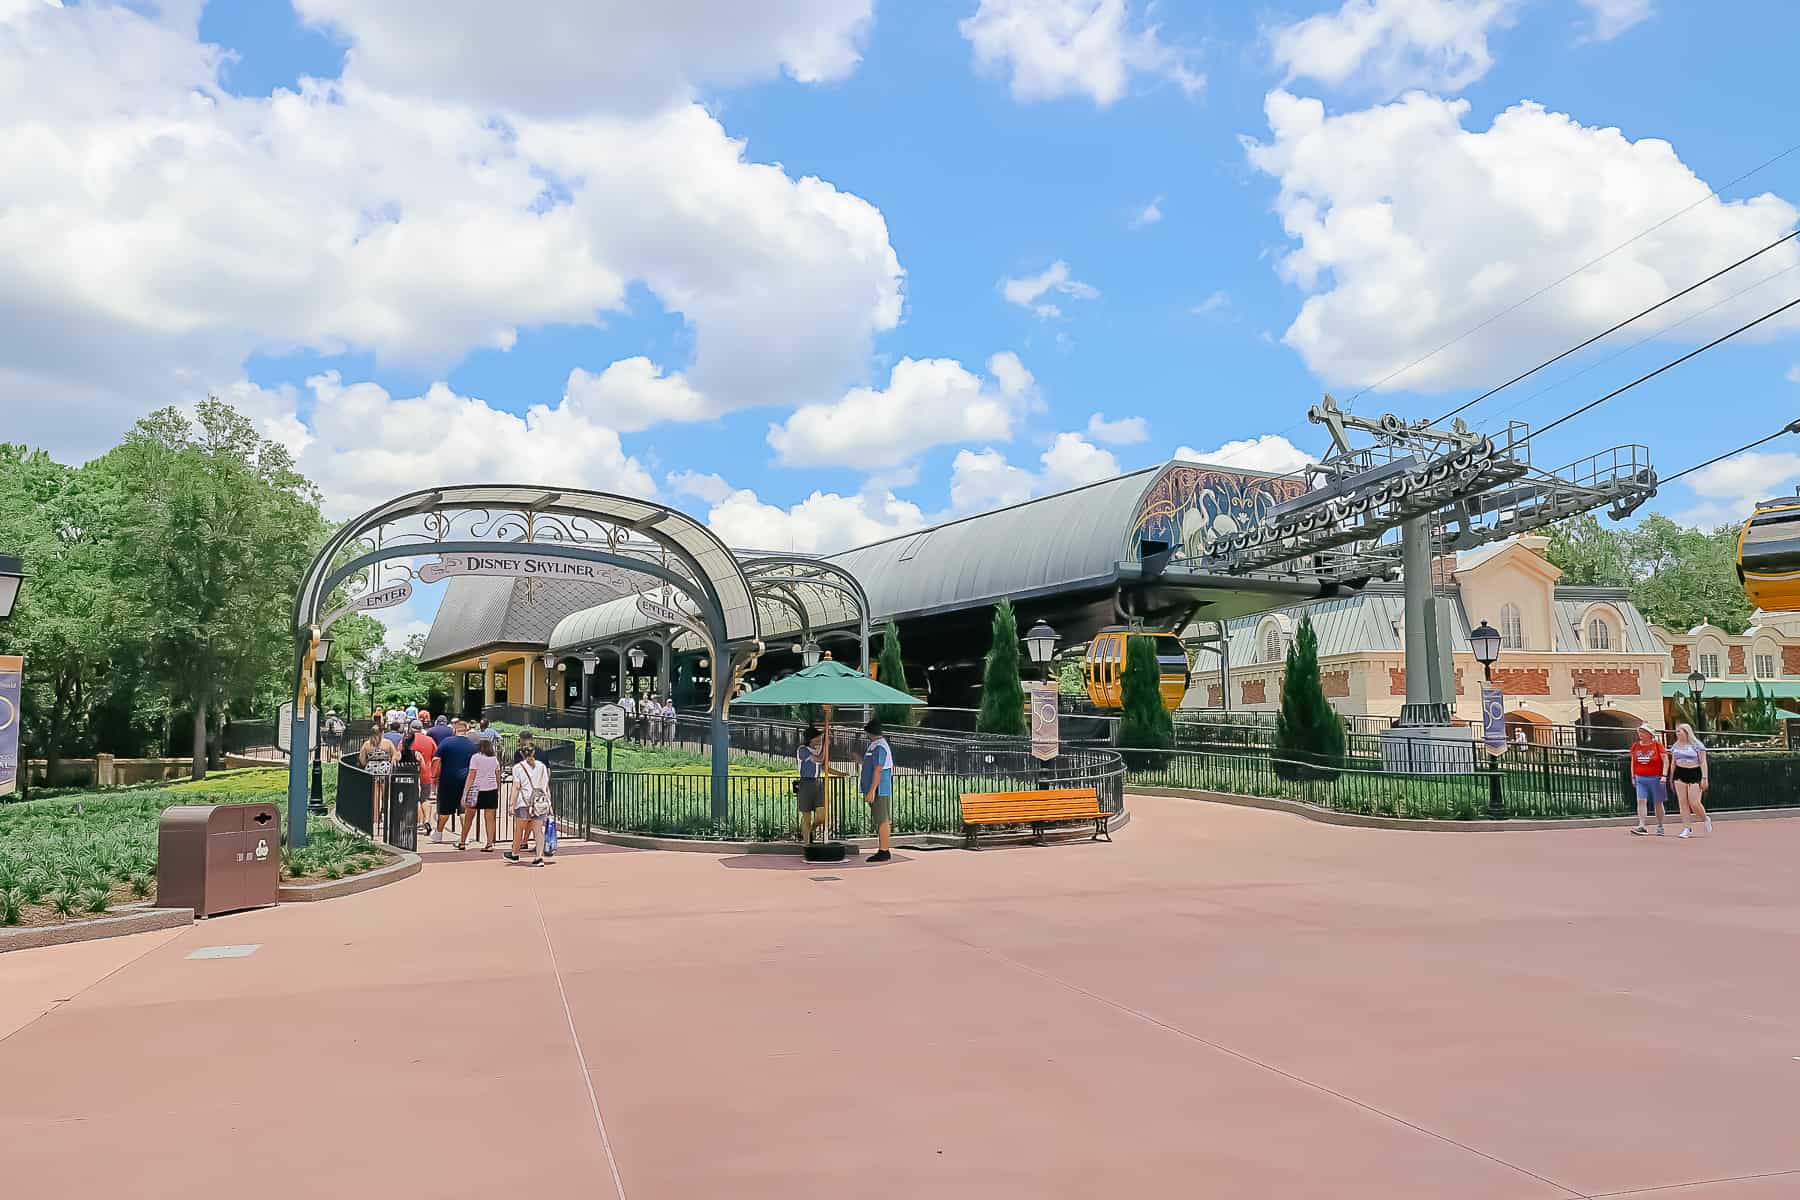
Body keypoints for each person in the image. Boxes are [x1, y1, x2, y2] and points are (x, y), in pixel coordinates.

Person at [505, 740, 551, 865]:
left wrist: (511, 804)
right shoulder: (541, 766)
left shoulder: (518, 768)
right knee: (538, 830)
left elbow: (516, 787)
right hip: (540, 802)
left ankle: (515, 853)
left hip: (524, 801)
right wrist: (550, 803)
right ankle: (538, 857)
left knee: (519, 829)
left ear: (521, 753)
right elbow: (546, 786)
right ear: (534, 752)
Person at [433, 720, 479, 845]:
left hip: (447, 779)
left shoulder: (446, 742)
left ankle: (438, 833)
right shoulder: (472, 745)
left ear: (454, 729)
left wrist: (434, 775)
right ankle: (465, 836)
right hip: (466, 780)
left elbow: (436, 759)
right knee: (463, 809)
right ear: (466, 730)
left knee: (444, 809)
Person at [458, 735, 503, 851]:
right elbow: (497, 775)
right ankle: (489, 843)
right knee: (490, 818)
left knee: (469, 816)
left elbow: (471, 775)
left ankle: (462, 841)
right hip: (491, 789)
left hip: (476, 789)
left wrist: (465, 793)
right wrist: (498, 788)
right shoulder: (494, 759)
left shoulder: (475, 758)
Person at [1668, 723, 1713, 838]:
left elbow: (1703, 762)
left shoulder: (1697, 745)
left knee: (1694, 802)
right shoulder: (1675, 746)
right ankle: (1687, 828)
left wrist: (1704, 778)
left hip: (1694, 773)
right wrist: (1671, 777)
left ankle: (1705, 818)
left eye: (1679, 731)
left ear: (1686, 732)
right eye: (1677, 731)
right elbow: (1673, 762)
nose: (1677, 733)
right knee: (1682, 802)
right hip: (1680, 773)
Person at [860, 720, 895, 863]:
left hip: (879, 789)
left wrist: (872, 790)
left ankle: (884, 850)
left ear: (869, 732)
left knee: (882, 820)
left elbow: (878, 770)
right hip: (876, 788)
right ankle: (883, 849)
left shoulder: (880, 747)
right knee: (880, 819)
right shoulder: (875, 745)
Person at [1628, 726, 1668, 836]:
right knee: (1641, 800)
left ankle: (1660, 825)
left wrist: (1664, 775)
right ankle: (1642, 825)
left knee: (1658, 802)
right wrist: (1633, 776)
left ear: (1650, 734)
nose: (1641, 734)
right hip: (1641, 778)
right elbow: (1633, 762)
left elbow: (1665, 760)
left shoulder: (1657, 745)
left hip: (1656, 778)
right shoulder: (1636, 746)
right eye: (1640, 732)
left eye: (1643, 732)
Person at [359, 725, 394, 834]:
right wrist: (390, 764)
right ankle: (386, 814)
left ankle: (375, 817)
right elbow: (395, 754)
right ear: (382, 733)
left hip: (372, 770)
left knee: (375, 795)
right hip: (384, 770)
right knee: (386, 794)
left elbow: (362, 759)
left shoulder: (367, 744)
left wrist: (368, 765)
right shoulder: (387, 743)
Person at [796, 726, 826, 844]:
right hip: (806, 783)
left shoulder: (818, 750)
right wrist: (825, 746)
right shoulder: (802, 750)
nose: (820, 739)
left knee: (821, 816)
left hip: (818, 783)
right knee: (807, 816)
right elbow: (819, 760)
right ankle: (807, 844)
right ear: (811, 739)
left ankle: (811, 831)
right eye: (818, 737)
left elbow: (822, 765)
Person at [409, 719, 439, 835]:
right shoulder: (429, 740)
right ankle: (427, 820)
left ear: (411, 728)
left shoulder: (407, 740)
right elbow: (436, 756)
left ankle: (419, 823)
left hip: (412, 772)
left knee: (415, 799)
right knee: (425, 798)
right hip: (427, 772)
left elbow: (400, 753)